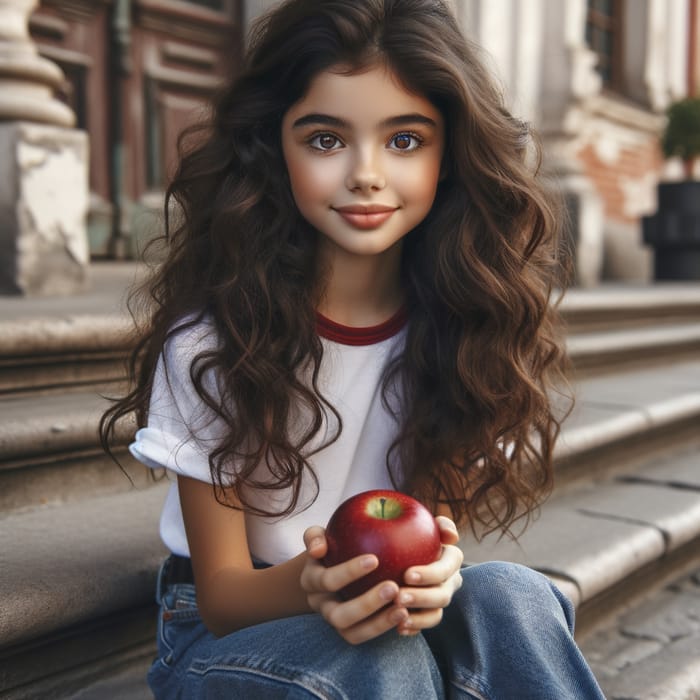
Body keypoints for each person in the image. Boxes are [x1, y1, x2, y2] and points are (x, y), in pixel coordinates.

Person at [101, 0, 605, 697]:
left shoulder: (464, 332)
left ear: (450, 157)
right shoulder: (216, 342)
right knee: (382, 661)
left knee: (515, 596)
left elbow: (426, 533)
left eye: (404, 141)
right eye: (326, 140)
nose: (366, 174)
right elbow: (222, 596)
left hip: (380, 623)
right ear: (274, 148)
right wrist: (314, 584)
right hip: (222, 636)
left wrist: (434, 579)